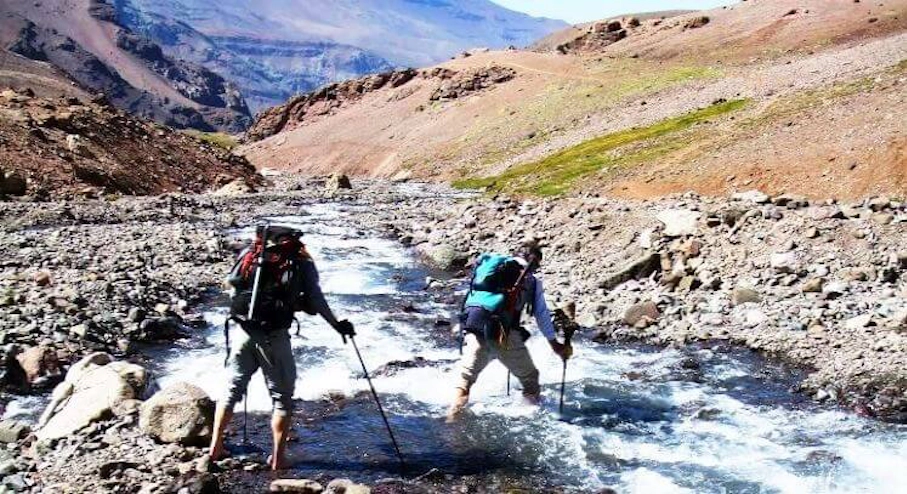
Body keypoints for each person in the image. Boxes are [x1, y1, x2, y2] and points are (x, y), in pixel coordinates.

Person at [208, 225, 356, 470]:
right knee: (282, 399)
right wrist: (337, 325)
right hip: (274, 337)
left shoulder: (250, 254)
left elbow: (233, 286)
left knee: (231, 390)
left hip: (243, 331)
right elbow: (316, 299)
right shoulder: (300, 262)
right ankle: (278, 458)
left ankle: (215, 447)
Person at [447, 242, 572, 422]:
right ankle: (530, 420)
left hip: (474, 325)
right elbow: (541, 315)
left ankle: (452, 420)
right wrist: (555, 346)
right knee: (530, 378)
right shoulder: (530, 279)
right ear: (535, 263)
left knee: (465, 381)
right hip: (502, 333)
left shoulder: (491, 269)